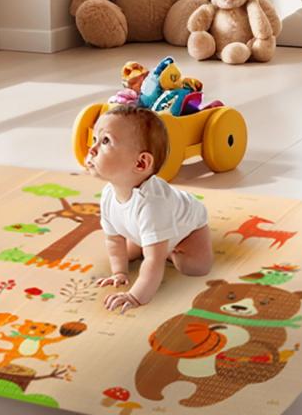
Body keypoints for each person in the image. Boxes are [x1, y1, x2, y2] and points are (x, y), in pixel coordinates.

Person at [85, 104, 213, 313]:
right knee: (126, 254)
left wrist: (135, 296)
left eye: (105, 141)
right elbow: (114, 239)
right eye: (94, 139)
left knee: (195, 267)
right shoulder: (108, 194)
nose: (92, 149)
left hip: (189, 228)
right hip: (142, 228)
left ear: (141, 163)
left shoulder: (153, 206)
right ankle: (155, 242)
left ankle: (167, 249)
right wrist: (119, 273)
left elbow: (154, 262)